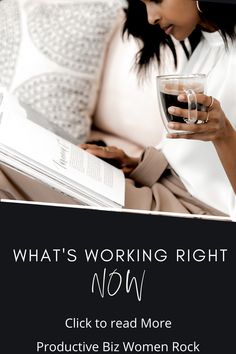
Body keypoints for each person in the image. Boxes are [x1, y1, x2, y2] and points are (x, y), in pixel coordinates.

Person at [80, 0, 236, 219]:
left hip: (196, 210)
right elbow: (190, 161)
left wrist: (224, 135)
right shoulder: (207, 44)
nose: (151, 18)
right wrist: (133, 164)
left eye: (156, 0)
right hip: (164, 191)